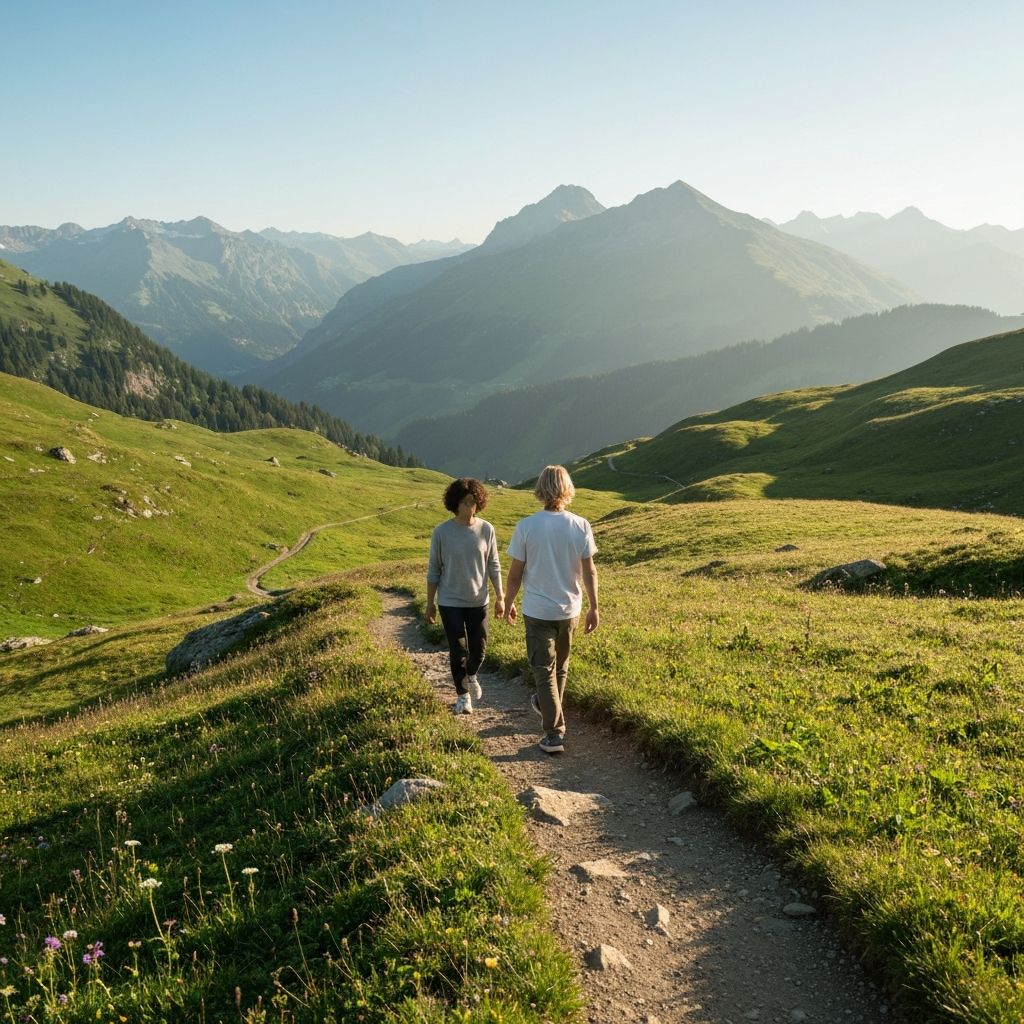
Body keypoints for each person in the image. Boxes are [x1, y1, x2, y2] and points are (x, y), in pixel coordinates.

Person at [504, 465, 599, 754]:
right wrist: (594, 607)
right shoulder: (580, 525)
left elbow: (515, 573)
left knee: (543, 670)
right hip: (569, 609)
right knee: (560, 667)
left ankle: (554, 733)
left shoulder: (527, 526)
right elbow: (589, 570)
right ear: (567, 488)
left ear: (540, 489)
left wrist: (507, 602)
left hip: (537, 610)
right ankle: (548, 708)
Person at [426, 477, 505, 714]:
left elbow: (494, 564)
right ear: (455, 504)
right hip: (450, 602)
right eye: (465, 502)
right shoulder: (441, 532)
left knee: (479, 650)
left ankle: (471, 674)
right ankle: (462, 697)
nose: (471, 508)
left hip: (479, 600)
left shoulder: (486, 529)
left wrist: (501, 597)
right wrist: (430, 603)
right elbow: (434, 570)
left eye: (474, 502)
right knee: (458, 651)